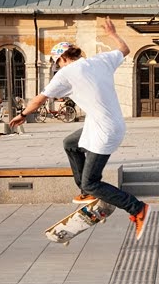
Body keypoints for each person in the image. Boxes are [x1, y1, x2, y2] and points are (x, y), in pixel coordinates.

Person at [10, 18, 149, 239]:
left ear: (63, 58)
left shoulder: (65, 73)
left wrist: (23, 114)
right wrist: (112, 33)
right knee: (70, 144)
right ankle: (86, 193)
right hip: (104, 124)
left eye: (58, 63)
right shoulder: (100, 60)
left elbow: (39, 99)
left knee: (91, 182)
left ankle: (136, 207)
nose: (58, 67)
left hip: (104, 132)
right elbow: (124, 49)